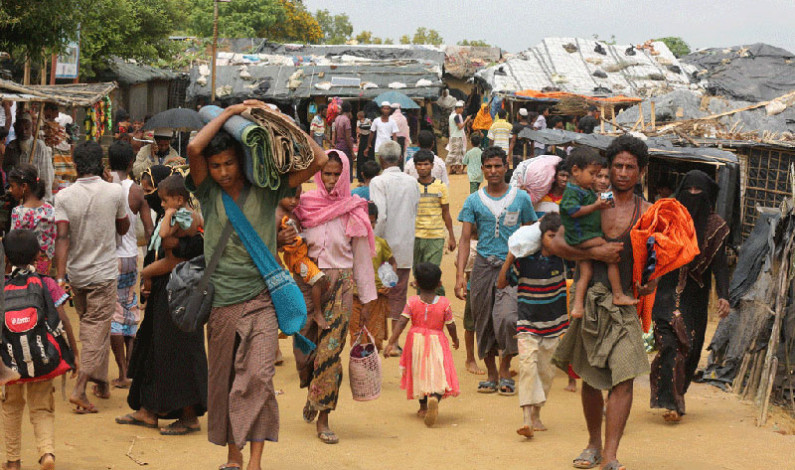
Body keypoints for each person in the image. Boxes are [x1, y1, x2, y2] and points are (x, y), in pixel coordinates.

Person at [186, 100, 326, 469]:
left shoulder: (267, 190)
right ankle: (234, 457)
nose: (222, 171)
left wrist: (274, 116)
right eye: (216, 166)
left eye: (229, 163)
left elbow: (318, 159)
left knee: (260, 379)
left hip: (262, 300)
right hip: (220, 305)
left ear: (244, 161)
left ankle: (256, 461)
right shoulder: (207, 192)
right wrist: (230, 114)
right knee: (228, 382)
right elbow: (194, 148)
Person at [551, 134, 656, 470]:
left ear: (641, 172)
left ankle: (611, 454)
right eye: (617, 165)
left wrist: (650, 281)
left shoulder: (649, 212)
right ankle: (593, 445)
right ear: (607, 169)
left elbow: (656, 259)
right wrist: (595, 251)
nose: (623, 172)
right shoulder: (587, 201)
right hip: (590, 300)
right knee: (592, 377)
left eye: (630, 167)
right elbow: (557, 243)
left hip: (626, 305)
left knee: (624, 376)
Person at [117, 165, 208, 437]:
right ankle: (149, 410)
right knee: (155, 348)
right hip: (165, 293)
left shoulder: (186, 219)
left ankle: (189, 416)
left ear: (177, 198)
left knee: (178, 353)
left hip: (181, 295)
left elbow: (173, 257)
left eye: (158, 193)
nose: (154, 196)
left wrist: (146, 273)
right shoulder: (171, 216)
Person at [293, 150, 376, 445]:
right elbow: (291, 244)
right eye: (325, 174)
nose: (329, 180)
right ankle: (312, 391)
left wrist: (366, 301)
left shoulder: (354, 209)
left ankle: (324, 417)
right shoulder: (303, 205)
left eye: (335, 175)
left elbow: (363, 259)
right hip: (305, 283)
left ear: (344, 176)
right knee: (305, 351)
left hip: (340, 287)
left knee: (330, 353)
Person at [54, 141, 130, 413]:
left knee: (90, 328)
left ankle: (101, 382)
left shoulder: (63, 196)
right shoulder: (113, 191)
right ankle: (80, 388)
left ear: (75, 164)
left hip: (77, 274)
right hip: (104, 273)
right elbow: (123, 227)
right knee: (97, 330)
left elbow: (61, 237)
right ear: (101, 163)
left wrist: (61, 277)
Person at [455, 146, 537, 396]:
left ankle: (505, 367)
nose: (493, 171)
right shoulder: (473, 201)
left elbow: (531, 232)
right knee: (483, 320)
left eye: (497, 166)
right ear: (482, 170)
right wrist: (460, 275)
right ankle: (492, 374)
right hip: (481, 267)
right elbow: (465, 239)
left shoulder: (521, 199)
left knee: (508, 318)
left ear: (506, 166)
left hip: (512, 269)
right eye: (488, 167)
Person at [650, 170, 730, 422]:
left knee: (690, 348)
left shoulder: (716, 227)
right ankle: (671, 403)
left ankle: (678, 392)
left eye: (699, 192)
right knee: (669, 344)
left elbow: (719, 266)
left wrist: (724, 296)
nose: (693, 196)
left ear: (708, 196)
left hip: (696, 296)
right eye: (689, 191)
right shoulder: (668, 220)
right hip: (665, 291)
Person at [2, 229, 78, 470]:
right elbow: (63, 319)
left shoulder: (3, 287)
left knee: (11, 409)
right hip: (42, 358)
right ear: (38, 254)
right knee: (42, 407)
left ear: (6, 258)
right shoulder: (46, 283)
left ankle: (13, 461)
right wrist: (74, 353)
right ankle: (47, 454)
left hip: (10, 363)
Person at [496, 213, 569, 439]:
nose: (555, 241)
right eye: (550, 236)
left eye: (559, 237)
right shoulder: (525, 260)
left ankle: (537, 413)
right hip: (527, 324)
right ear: (541, 237)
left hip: (554, 327)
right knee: (528, 367)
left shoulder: (564, 259)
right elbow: (501, 283)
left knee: (546, 373)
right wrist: (512, 255)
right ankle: (527, 419)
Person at [561, 148, 637, 318]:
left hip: (588, 243)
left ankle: (581, 306)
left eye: (604, 176)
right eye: (596, 175)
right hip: (584, 241)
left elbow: (610, 212)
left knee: (589, 270)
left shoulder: (593, 193)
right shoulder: (579, 193)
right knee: (609, 255)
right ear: (576, 171)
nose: (600, 180)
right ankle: (616, 295)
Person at [384, 262, 459, 428]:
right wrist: (455, 339)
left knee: (418, 372)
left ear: (416, 283)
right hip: (437, 341)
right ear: (439, 284)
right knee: (438, 373)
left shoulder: (412, 302)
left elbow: (402, 322)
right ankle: (435, 398)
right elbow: (451, 325)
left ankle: (423, 406)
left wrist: (391, 343)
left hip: (415, 341)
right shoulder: (444, 303)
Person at [107, 141, 154, 389]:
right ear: (129, 163)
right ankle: (131, 369)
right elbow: (149, 229)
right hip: (130, 256)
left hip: (107, 258)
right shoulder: (136, 191)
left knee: (114, 313)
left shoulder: (105, 187)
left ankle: (122, 371)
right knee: (129, 310)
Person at [370, 141, 420, 343]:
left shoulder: (378, 182)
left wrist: (377, 244)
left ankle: (377, 336)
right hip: (405, 244)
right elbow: (415, 212)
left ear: (380, 159)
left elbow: (380, 216)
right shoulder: (412, 182)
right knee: (399, 293)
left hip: (385, 245)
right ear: (400, 158)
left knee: (378, 290)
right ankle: (395, 341)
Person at [348, 202, 397, 350]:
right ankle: (360, 369)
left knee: (374, 339)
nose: (368, 226)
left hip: (376, 296)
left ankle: (370, 368)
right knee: (357, 336)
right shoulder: (347, 244)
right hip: (354, 296)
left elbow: (392, 263)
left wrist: (390, 282)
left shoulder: (380, 243)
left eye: (371, 222)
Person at [278, 186, 328, 331]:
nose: (294, 201)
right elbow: (284, 245)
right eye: (290, 197)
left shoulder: (293, 214)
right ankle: (317, 313)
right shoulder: (283, 218)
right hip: (298, 259)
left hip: (303, 256)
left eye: (297, 198)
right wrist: (300, 240)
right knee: (318, 279)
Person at [142, 174, 202, 283]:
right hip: (184, 261)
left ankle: (147, 287)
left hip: (172, 261)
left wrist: (168, 215)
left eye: (165, 201)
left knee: (145, 273)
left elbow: (163, 233)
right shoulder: (193, 214)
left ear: (179, 200)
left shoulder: (179, 217)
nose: (162, 204)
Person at [413, 150, 456, 294]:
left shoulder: (441, 186)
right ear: (415, 167)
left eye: (426, 164)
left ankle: (440, 302)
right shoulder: (412, 187)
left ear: (432, 166)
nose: (423, 167)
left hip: (436, 236)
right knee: (418, 273)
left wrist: (451, 236)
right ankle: (422, 308)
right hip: (416, 236)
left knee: (431, 272)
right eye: (419, 164)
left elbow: (446, 212)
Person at [8, 164, 55, 275]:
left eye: (12, 186)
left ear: (24, 186)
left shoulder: (19, 212)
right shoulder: (50, 209)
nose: (10, 190)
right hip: (45, 268)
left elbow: (13, 245)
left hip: (24, 269)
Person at [3, 114, 54, 202]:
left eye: (27, 128)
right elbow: (6, 167)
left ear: (32, 129)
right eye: (21, 129)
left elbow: (47, 176)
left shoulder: (39, 146)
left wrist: (46, 199)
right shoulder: (11, 147)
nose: (24, 132)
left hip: (34, 197)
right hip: (17, 197)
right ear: (15, 130)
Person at [333, 102, 355, 180]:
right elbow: (348, 137)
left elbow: (334, 134)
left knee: (340, 166)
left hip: (338, 146)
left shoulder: (337, 118)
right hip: (345, 147)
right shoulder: (346, 120)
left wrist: (334, 145)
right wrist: (352, 151)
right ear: (350, 109)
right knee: (348, 166)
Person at [447, 100, 469, 174]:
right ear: (458, 108)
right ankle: (454, 168)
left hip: (453, 136)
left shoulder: (451, 116)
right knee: (456, 154)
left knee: (455, 153)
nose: (462, 110)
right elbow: (460, 127)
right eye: (461, 108)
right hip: (457, 137)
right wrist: (466, 120)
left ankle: (453, 169)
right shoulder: (456, 116)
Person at [355, 110, 373, 181]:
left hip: (367, 138)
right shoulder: (359, 122)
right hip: (363, 139)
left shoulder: (368, 121)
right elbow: (358, 130)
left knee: (365, 156)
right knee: (361, 157)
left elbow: (371, 128)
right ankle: (361, 175)